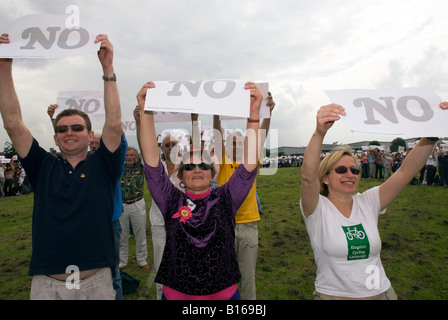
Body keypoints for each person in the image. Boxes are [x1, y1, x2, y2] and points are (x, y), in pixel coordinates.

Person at [0, 33, 123, 299]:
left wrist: (108, 69)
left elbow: (113, 125)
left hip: (96, 282)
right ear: (55, 137)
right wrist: (4, 65)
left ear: (90, 135)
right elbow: (12, 123)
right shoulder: (41, 165)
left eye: (78, 127)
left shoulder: (104, 164)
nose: (70, 132)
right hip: (48, 285)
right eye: (63, 129)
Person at [300, 103, 447, 300]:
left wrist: (433, 132)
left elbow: (405, 172)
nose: (350, 174)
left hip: (383, 294)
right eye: (341, 170)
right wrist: (319, 134)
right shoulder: (317, 208)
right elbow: (308, 178)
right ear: (325, 177)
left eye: (355, 170)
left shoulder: (368, 201)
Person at [136, 81, 262, 300]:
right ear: (180, 174)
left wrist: (253, 117)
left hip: (224, 293)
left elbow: (249, 165)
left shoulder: (226, 197)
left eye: (203, 165)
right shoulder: (169, 199)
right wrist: (147, 112)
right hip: (177, 294)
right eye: (190, 165)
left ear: (213, 173)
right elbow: (152, 165)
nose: (197, 169)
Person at [47, 104, 127, 300]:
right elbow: (66, 144)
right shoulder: (80, 163)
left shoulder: (108, 163)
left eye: (100, 143)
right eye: (95, 145)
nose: (96, 147)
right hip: (82, 225)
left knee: (112, 272)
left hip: (110, 222)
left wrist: (116, 123)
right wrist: (54, 120)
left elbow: (118, 138)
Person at [213, 91, 276, 300]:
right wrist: (216, 113)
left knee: (248, 276)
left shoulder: (251, 161)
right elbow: (216, 132)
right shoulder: (222, 162)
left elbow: (261, 134)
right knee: (223, 275)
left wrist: (267, 113)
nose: (236, 146)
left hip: (249, 223)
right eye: (232, 143)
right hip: (224, 225)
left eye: (239, 143)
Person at [119, 146, 149, 270]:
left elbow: (144, 152)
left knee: (140, 233)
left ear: (136, 157)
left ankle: (142, 260)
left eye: (132, 155)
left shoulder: (140, 166)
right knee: (122, 235)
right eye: (127, 155)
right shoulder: (120, 167)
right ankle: (122, 261)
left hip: (137, 203)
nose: (129, 157)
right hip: (122, 205)